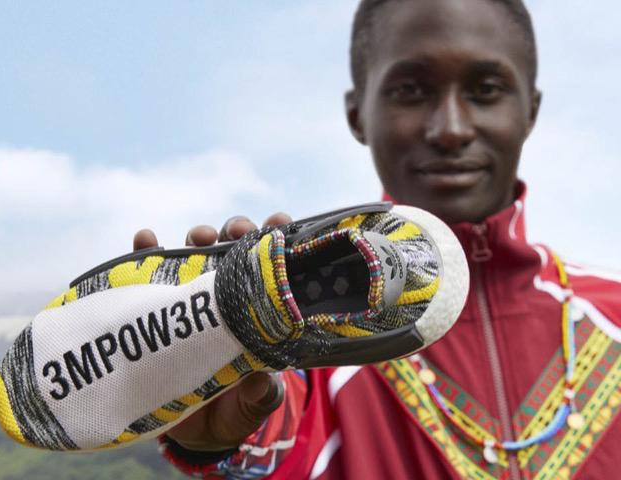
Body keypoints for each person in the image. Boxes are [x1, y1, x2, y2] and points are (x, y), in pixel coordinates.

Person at [134, 0, 621, 478]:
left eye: (486, 90)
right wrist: (221, 423)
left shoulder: (612, 316)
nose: (450, 129)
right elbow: (277, 428)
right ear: (357, 115)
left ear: (530, 110)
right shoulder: (308, 331)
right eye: (410, 90)